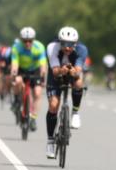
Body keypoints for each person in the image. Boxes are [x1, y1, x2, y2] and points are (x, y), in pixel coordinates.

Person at [45, 26, 88, 159]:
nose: (67, 48)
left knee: (79, 83)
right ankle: (50, 141)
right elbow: (55, 71)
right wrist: (62, 70)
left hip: (71, 73)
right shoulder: (52, 47)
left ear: (76, 43)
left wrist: (73, 71)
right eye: (64, 44)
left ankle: (75, 112)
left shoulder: (82, 49)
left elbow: (78, 70)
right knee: (53, 105)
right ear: (59, 42)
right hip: (56, 75)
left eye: (70, 45)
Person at [9, 26, 47, 131]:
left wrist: (43, 76)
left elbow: (43, 64)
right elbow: (14, 64)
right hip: (21, 69)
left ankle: (33, 118)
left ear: (33, 40)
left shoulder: (39, 47)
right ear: (21, 40)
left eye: (30, 41)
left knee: (38, 93)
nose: (27, 43)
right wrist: (14, 73)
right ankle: (17, 100)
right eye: (25, 41)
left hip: (35, 70)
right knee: (17, 81)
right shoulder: (16, 47)